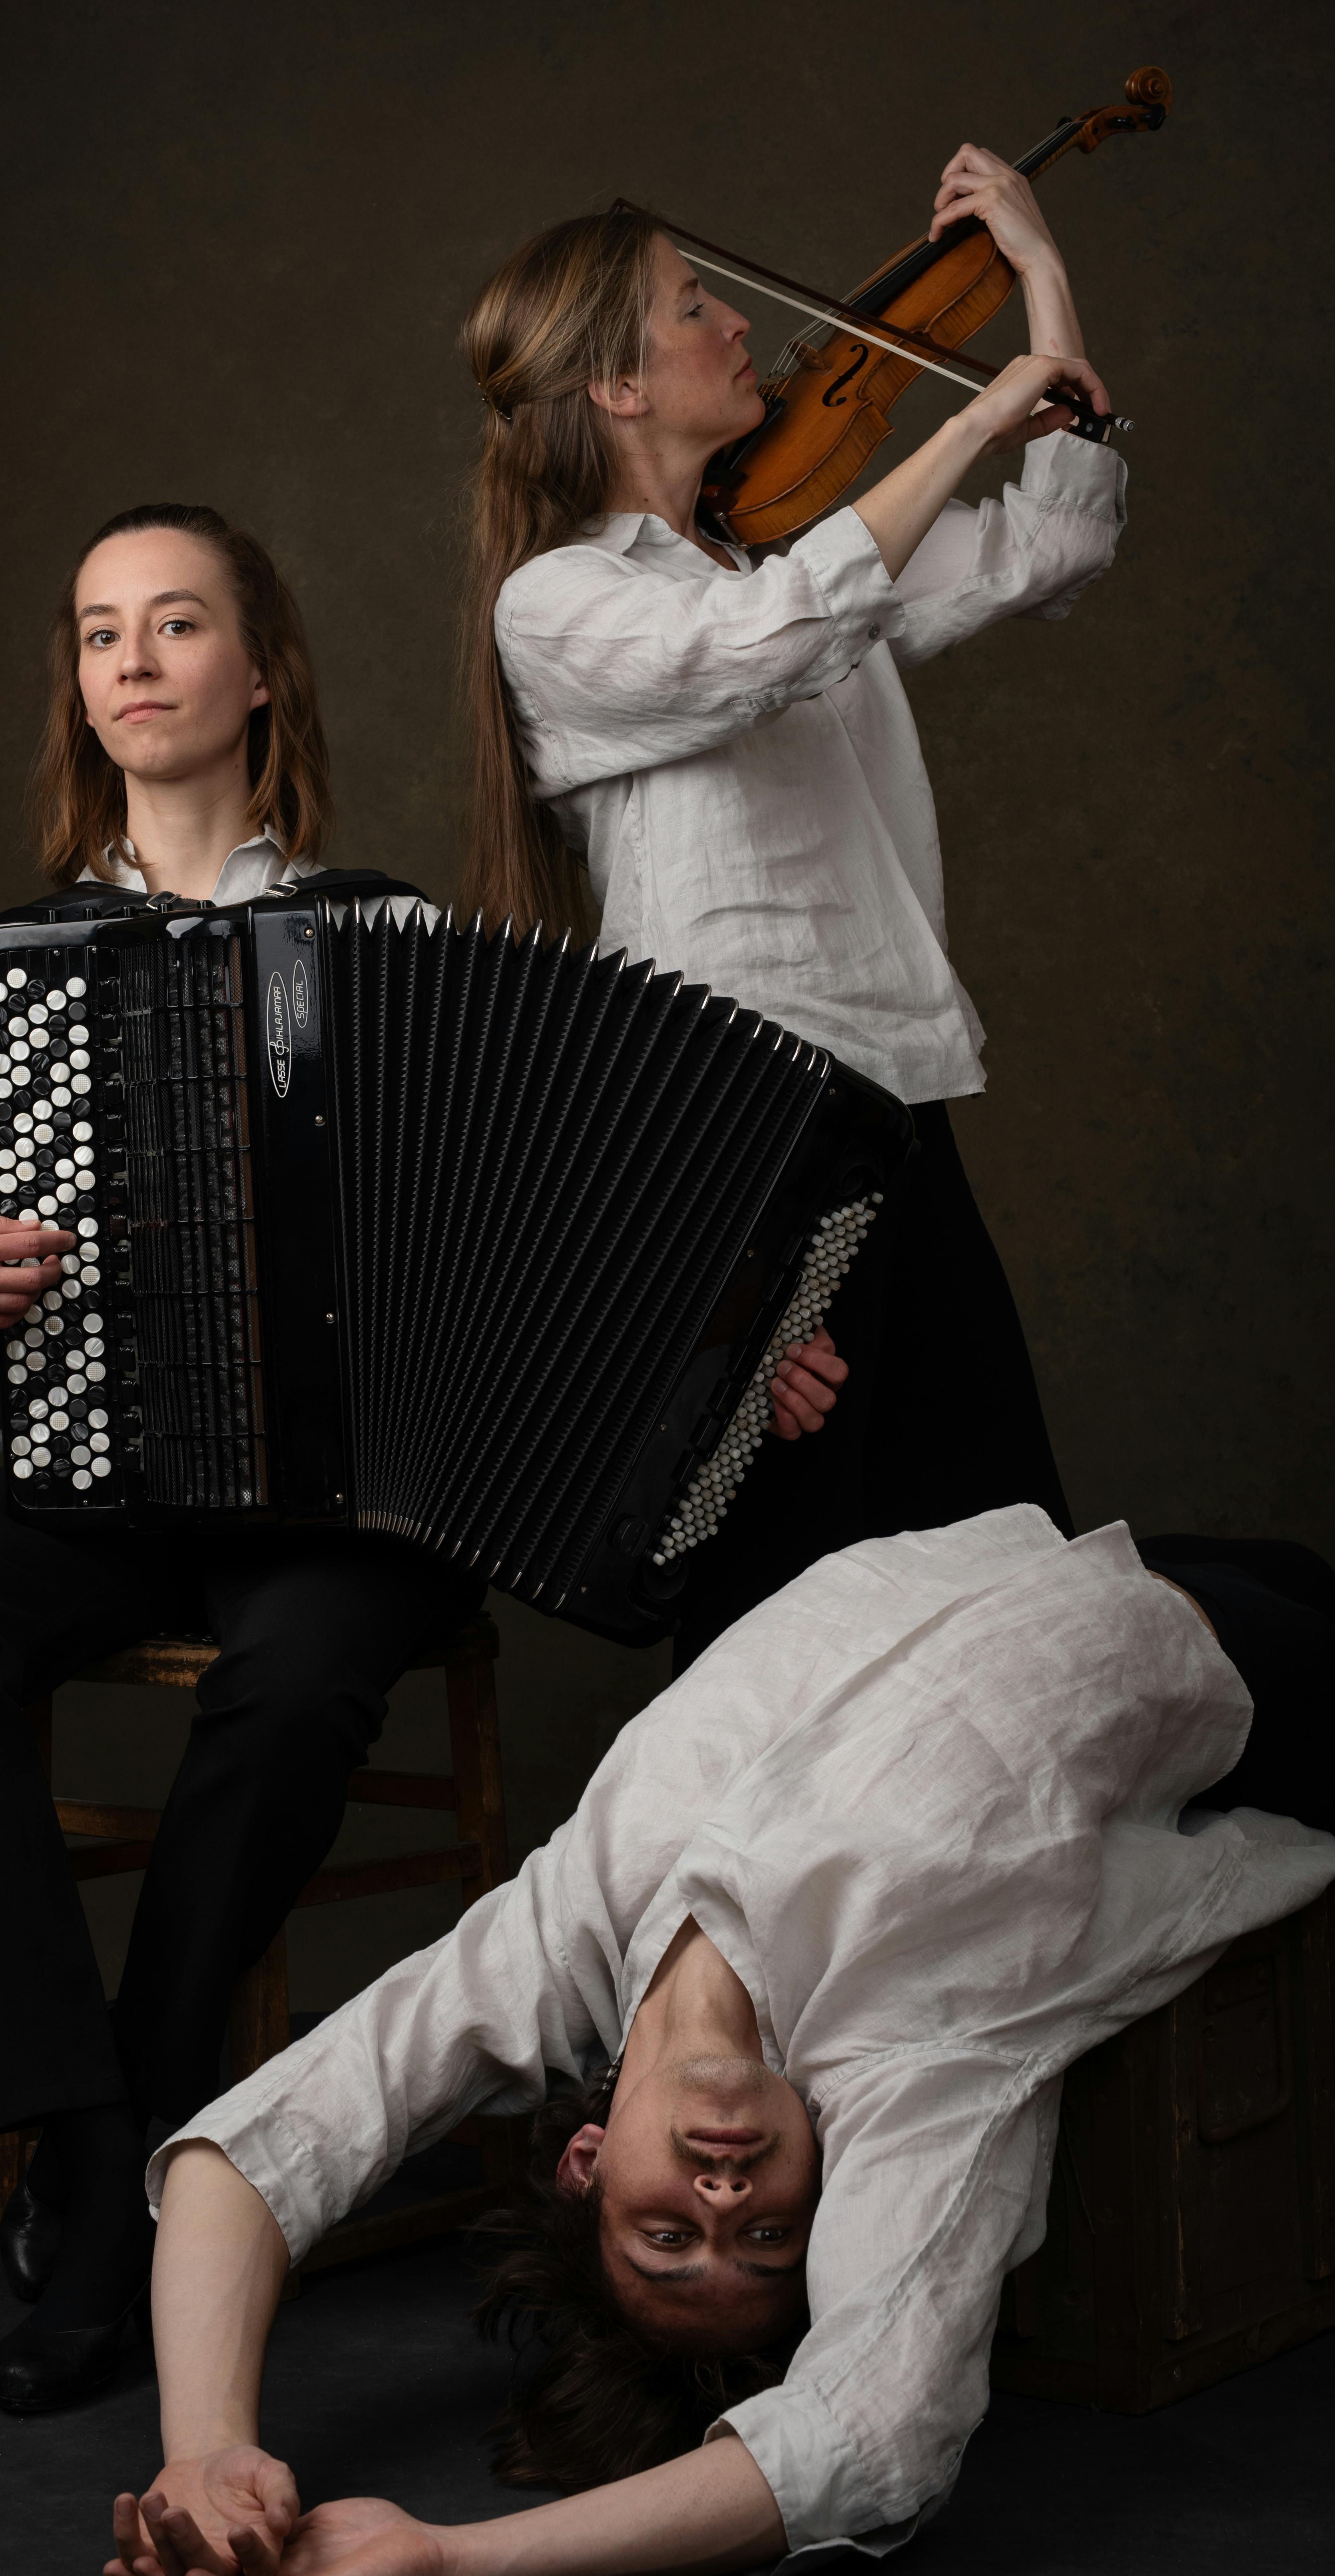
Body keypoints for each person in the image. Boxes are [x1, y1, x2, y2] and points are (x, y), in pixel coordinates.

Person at [102, 1506, 1335, 2576]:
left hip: (1018, 1559)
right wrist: (448, 2562)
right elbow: (871, 2439)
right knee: (1323, 1661)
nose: (724, 2211)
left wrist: (206, 2446)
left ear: (587, 2161)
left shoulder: (561, 1935)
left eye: (666, 2240)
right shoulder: (909, 2061)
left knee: (1298, 1565)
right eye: (771, 2242)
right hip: (1221, 1661)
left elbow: (256, 2152)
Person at [0, 502, 503, 2416]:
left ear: (259, 673)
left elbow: (519, 1226)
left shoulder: (398, 939)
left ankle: (130, 2152)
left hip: (357, 1499)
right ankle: (98, 2145)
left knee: (302, 1673)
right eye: (101, 633)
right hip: (104, 1473)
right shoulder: (15, 967)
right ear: (82, 692)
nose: (134, 660)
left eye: (178, 623)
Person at [460, 151, 1127, 1662]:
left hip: (894, 1098)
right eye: (697, 309)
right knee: (789, 1601)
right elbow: (767, 643)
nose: (739, 328)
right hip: (738, 1139)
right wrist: (965, 416)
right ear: (619, 389)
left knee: (1003, 1567)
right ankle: (757, 1894)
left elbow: (1059, 546)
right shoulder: (561, 602)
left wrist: (1042, 277)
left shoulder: (792, 537)